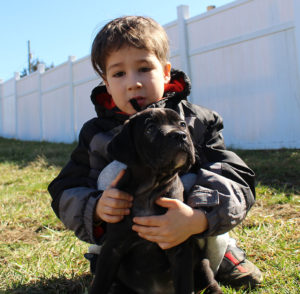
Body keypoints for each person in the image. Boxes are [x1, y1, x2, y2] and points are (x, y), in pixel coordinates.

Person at [48, 16, 262, 290]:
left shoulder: (196, 121)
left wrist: (197, 219)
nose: (133, 83)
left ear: (165, 71)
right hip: (126, 238)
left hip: (192, 235)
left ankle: (222, 254)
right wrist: (96, 208)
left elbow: (235, 177)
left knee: (192, 180)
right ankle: (110, 263)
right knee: (111, 176)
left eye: (144, 68)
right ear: (106, 83)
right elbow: (66, 187)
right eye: (119, 74)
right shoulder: (97, 133)